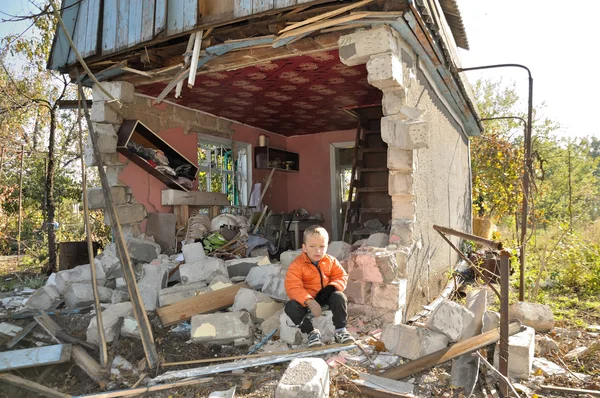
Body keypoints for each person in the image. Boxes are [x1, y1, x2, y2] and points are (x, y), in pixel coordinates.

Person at [284, 225, 355, 347]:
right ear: (304, 248)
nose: (318, 251)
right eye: (312, 246)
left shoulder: (331, 261)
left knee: (339, 296)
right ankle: (311, 332)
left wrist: (331, 288)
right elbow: (293, 286)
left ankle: (340, 330)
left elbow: (341, 276)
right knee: (290, 307)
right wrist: (308, 301)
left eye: (322, 246)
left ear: (327, 246)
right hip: (306, 303)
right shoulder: (297, 265)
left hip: (324, 298)